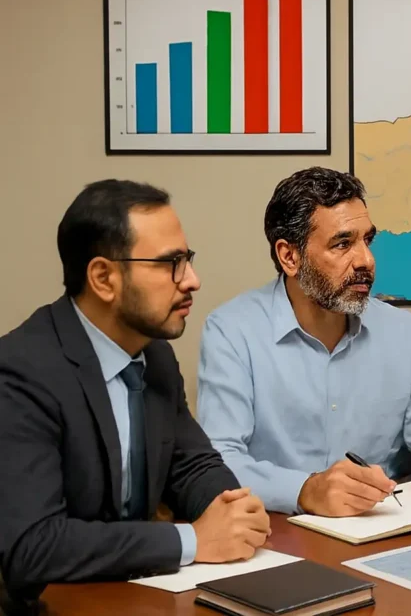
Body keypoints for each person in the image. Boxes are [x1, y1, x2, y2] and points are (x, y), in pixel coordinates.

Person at [0, 180, 270, 614]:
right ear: (103, 278)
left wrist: (232, 509)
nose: (192, 281)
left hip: (133, 596)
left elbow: (191, 464)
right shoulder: (21, 372)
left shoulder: (153, 353)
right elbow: (33, 545)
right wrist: (194, 540)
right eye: (171, 264)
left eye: (188, 259)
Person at [197, 167, 411, 517]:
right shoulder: (232, 332)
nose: (366, 260)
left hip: (383, 528)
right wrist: (304, 490)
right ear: (289, 257)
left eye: (367, 240)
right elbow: (220, 459)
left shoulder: (403, 332)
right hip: (277, 532)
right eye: (343, 243)